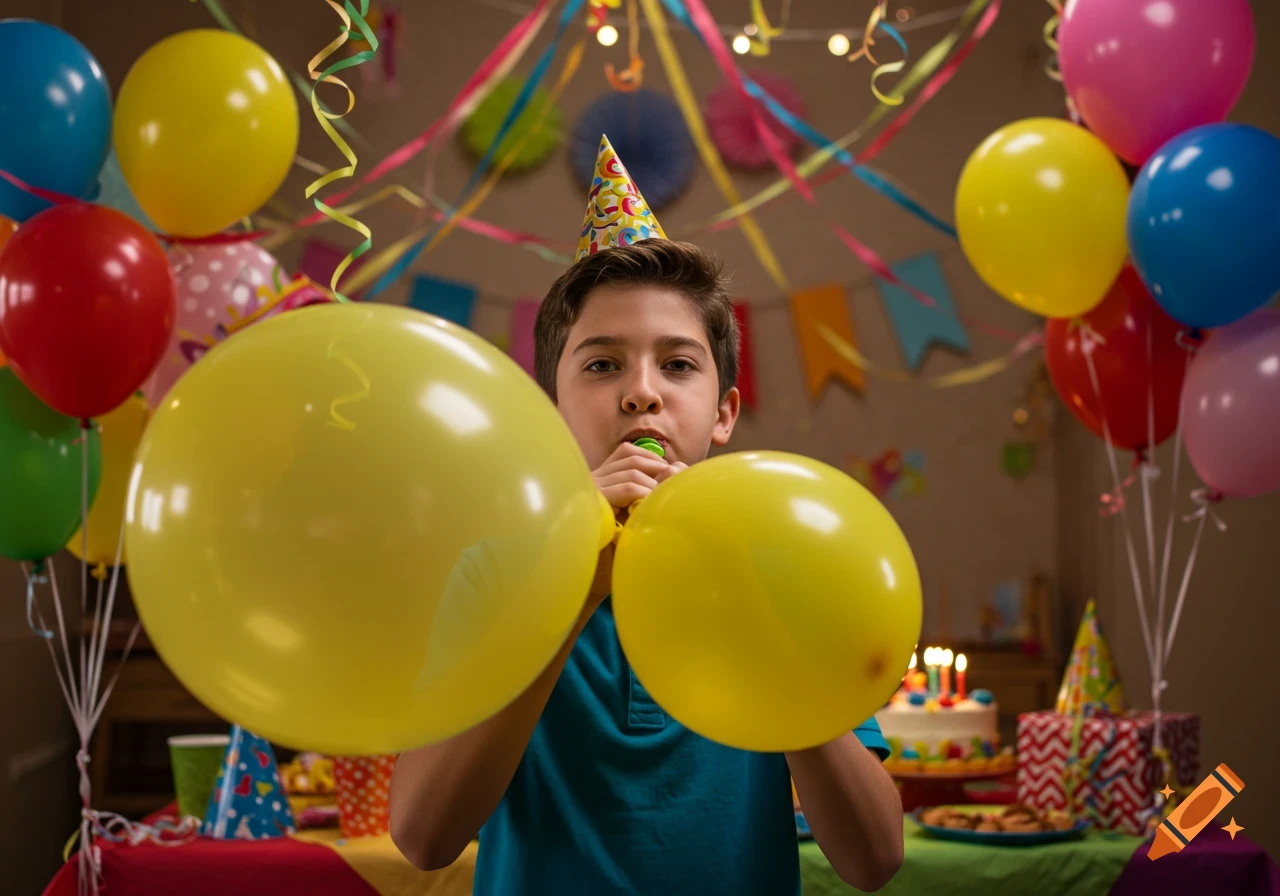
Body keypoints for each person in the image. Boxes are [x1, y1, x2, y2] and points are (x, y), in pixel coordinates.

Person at [389, 136, 904, 894]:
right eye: (601, 364)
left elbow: (873, 860)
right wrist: (568, 589)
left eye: (678, 364)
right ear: (553, 409)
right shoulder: (495, 572)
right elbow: (424, 838)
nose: (642, 393)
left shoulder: (786, 568)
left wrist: (767, 620)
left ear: (724, 412)